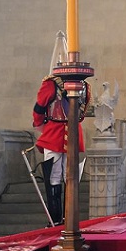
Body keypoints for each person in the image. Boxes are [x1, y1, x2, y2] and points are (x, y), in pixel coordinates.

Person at [32, 64, 88, 225]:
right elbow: (82, 113)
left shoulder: (50, 84)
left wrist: (39, 124)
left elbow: (39, 107)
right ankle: (68, 219)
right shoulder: (83, 84)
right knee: (68, 176)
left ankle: (57, 220)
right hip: (73, 133)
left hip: (54, 133)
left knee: (54, 177)